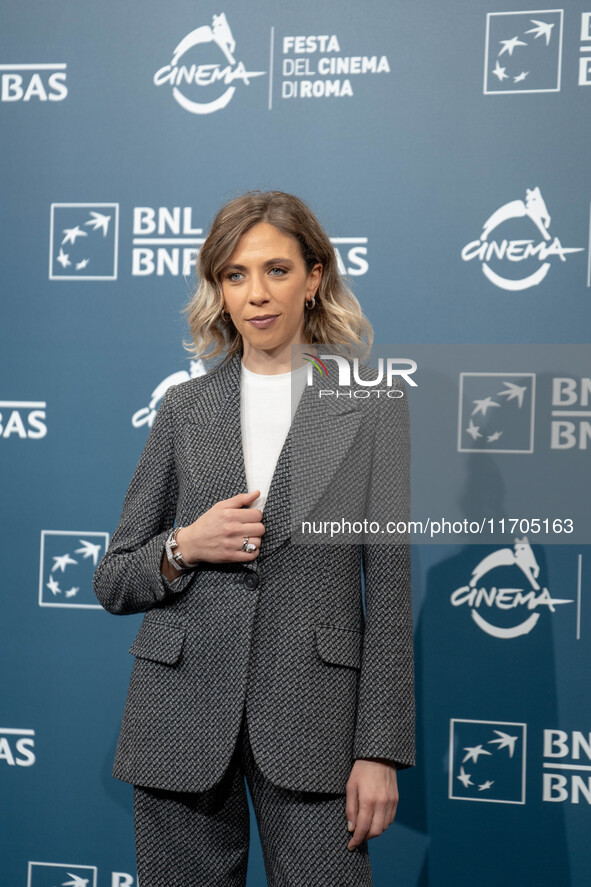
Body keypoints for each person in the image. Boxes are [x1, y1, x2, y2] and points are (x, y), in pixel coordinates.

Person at [93, 190, 415, 886]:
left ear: (314, 277)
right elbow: (114, 576)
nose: (255, 294)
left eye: (274, 269)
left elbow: (388, 594)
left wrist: (379, 750)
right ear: (218, 288)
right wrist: (184, 545)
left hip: (314, 724)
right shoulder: (183, 406)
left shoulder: (371, 406)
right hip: (178, 717)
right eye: (234, 275)